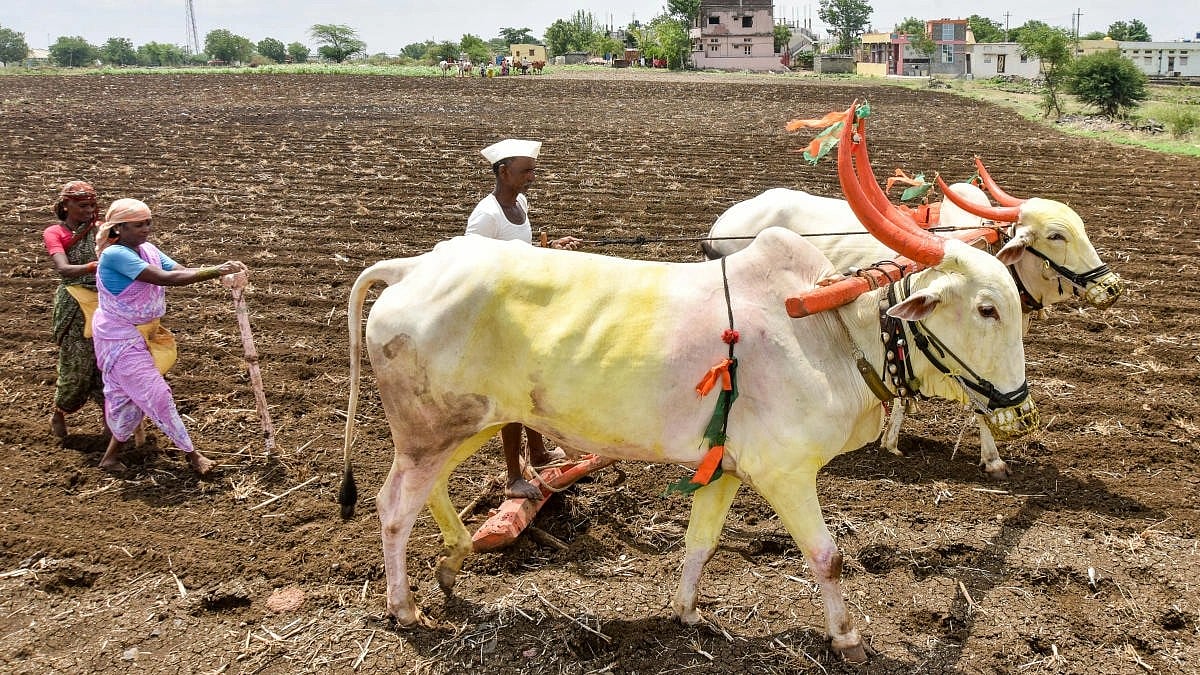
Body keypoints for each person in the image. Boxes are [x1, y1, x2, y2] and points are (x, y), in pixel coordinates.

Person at [91, 198, 247, 475]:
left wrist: (219, 270)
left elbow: (177, 270)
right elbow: (165, 278)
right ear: (119, 228)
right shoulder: (115, 255)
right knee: (157, 394)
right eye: (138, 225)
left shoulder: (147, 249)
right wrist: (215, 271)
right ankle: (192, 455)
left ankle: (110, 458)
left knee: (131, 396)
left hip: (143, 334)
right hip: (120, 336)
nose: (146, 229)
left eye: (148, 223)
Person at [466, 138, 581, 500]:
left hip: (523, 310)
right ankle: (514, 476)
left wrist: (550, 248)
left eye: (533, 170)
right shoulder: (486, 215)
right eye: (525, 171)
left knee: (530, 384)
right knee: (513, 394)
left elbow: (519, 252)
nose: (532, 177)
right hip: (499, 317)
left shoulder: (520, 204)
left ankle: (541, 452)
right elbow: (470, 265)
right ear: (503, 172)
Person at [42, 181, 106, 440]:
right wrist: (96, 266)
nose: (89, 211)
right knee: (77, 366)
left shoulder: (101, 230)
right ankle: (59, 412)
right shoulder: (55, 233)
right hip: (74, 304)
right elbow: (64, 269)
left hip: (104, 303)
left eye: (92, 205)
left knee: (106, 365)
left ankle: (111, 423)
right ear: (65, 205)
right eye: (82, 206)